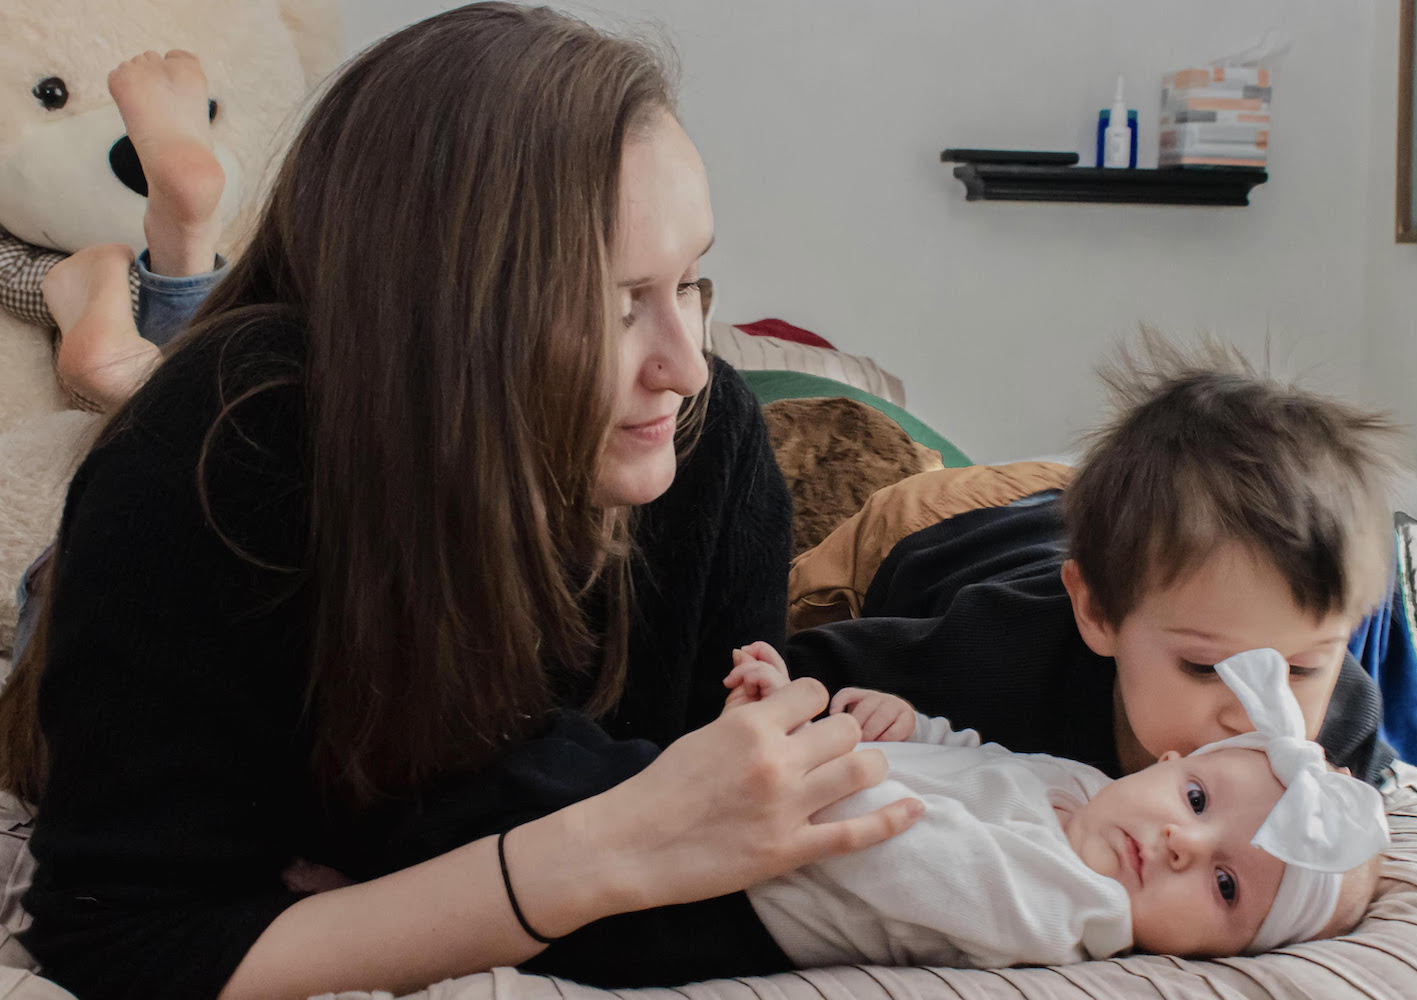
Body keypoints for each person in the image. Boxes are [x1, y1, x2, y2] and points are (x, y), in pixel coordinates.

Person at [0, 7, 923, 1000]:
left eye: (692, 282)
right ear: (438, 315)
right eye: (616, 304)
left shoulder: (717, 454)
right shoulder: (228, 447)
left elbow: (719, 841)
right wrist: (591, 857)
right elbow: (125, 937)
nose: (688, 366)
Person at [787, 335, 1403, 786]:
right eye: (1206, 666)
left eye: (1301, 669)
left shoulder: (1338, 720)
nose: (1254, 713)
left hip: (1082, 520)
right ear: (1099, 614)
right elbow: (797, 671)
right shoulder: (996, 658)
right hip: (943, 524)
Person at [724, 643, 1386, 969]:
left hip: (748, 901)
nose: (1184, 841)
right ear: (1171, 761)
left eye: (1224, 883)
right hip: (780, 804)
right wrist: (909, 731)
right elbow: (980, 762)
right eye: (1196, 799)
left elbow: (901, 853)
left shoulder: (1069, 909)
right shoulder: (1089, 790)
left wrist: (804, 751)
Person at [0, 50, 229, 411]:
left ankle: (129, 371)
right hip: (207, 320)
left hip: (98, 313)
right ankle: (187, 256)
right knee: (227, 392)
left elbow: (9, 271)